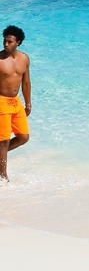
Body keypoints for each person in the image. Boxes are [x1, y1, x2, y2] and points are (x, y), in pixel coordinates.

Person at [0, 25, 31, 181]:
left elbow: (26, 83)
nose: (6, 44)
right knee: (3, 139)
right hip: (1, 102)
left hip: (16, 102)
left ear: (18, 42)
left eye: (10, 42)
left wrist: (28, 104)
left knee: (23, 137)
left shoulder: (24, 58)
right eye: (4, 41)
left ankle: (0, 155)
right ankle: (3, 175)